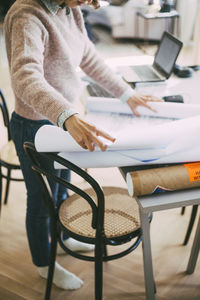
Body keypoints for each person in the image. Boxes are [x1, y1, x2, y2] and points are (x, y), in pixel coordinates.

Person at [4, 0, 160, 291]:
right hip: (35, 127)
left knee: (64, 186)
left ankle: (62, 237)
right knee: (41, 201)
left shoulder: (70, 8)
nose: (94, 3)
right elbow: (25, 77)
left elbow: (88, 54)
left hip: (62, 121)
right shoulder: (28, 15)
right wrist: (67, 115)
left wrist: (126, 93)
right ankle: (43, 264)